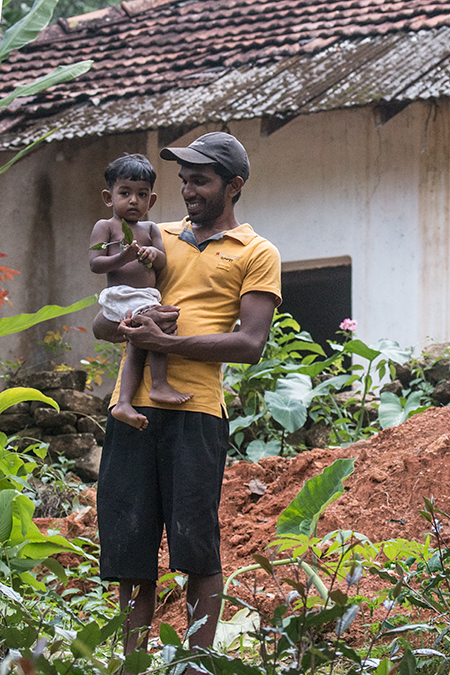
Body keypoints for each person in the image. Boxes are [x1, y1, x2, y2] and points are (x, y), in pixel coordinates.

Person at [94, 132, 282, 667]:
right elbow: (103, 323)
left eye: (200, 180)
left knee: (195, 547)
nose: (187, 189)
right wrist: (127, 322)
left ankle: (193, 664)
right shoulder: (154, 235)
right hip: (130, 412)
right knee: (130, 548)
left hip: (196, 414)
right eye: (183, 180)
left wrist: (168, 344)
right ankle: (132, 662)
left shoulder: (256, 252)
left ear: (234, 185)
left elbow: (250, 343)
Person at [89, 153, 193, 431]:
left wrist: (151, 254)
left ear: (152, 200)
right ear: (109, 197)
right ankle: (158, 384)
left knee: (145, 337)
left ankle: (124, 402)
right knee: (159, 323)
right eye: (125, 193)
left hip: (145, 298)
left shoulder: (150, 229)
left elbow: (162, 263)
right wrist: (123, 258)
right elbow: (96, 264)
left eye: (141, 194)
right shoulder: (106, 227)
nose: (133, 200)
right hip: (121, 296)